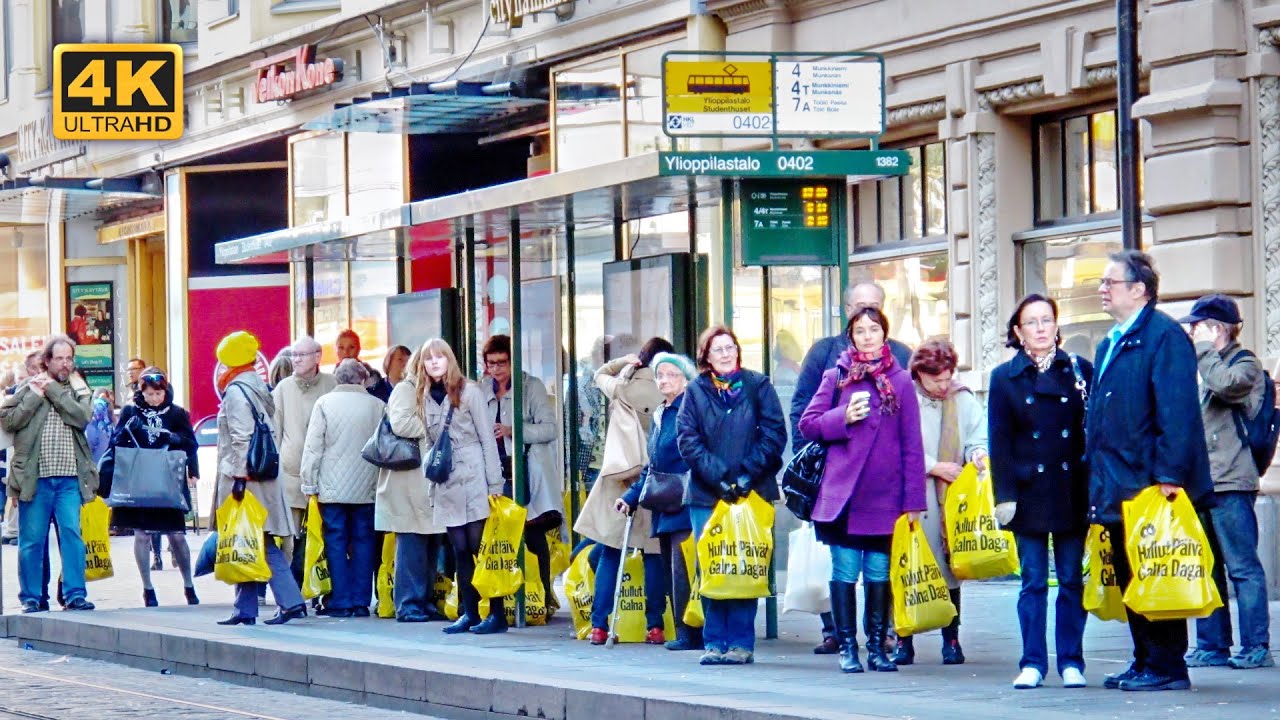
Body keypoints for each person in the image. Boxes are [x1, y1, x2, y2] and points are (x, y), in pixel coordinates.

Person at [1088, 250, 1213, 692]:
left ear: (1139, 289)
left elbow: (1177, 412)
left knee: (1158, 569)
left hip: (1150, 481)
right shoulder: (1111, 341)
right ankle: (1144, 659)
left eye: (1110, 282)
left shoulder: (1163, 336)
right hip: (1115, 480)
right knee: (1130, 573)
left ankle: (1167, 665)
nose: (1102, 289)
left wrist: (1169, 475)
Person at [799, 308, 925, 674]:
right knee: (845, 570)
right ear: (850, 336)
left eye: (874, 330)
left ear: (884, 335)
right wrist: (843, 418)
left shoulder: (900, 380)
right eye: (860, 330)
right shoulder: (836, 375)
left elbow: (912, 444)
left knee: (878, 572)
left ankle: (877, 648)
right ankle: (847, 648)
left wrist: (914, 499)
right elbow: (808, 424)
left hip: (885, 495)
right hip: (844, 495)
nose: (867, 336)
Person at [988, 294, 1092, 690]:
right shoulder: (1004, 377)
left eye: (1047, 320)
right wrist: (1004, 496)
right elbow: (999, 441)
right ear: (1018, 331)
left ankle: (1071, 661)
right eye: (1031, 322)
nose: (1041, 328)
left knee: (1070, 579)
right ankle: (1032, 661)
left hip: (1071, 489)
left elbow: (1092, 432)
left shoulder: (1080, 371)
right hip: (1028, 492)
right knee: (1032, 580)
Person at [678, 326, 787, 666]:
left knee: (744, 564)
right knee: (712, 565)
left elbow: (774, 435)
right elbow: (687, 439)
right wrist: (720, 477)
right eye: (717, 349)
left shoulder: (758, 385)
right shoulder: (695, 391)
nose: (725, 354)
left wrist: (746, 474)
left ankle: (741, 643)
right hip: (707, 495)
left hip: (751, 491)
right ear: (706, 357)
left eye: (730, 348)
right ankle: (714, 642)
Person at [1179, 295, 1274, 670]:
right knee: (1207, 567)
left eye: (1198, 326)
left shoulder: (1244, 364)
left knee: (1243, 568)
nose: (1191, 332)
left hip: (1233, 481)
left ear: (1218, 328)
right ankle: (1212, 644)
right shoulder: (1202, 365)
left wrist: (1204, 349)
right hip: (1202, 481)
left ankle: (1256, 646)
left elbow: (1227, 386)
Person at [891, 338, 987, 666]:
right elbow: (896, 443)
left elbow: (978, 434)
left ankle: (952, 638)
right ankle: (905, 639)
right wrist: (934, 466)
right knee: (911, 564)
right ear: (919, 374)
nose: (944, 386)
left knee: (949, 566)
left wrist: (977, 453)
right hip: (915, 493)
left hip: (952, 496)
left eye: (948, 378)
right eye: (936, 381)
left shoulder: (962, 398)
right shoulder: (905, 397)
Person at [575, 337, 674, 645]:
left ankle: (599, 626)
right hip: (656, 478)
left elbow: (599, 373)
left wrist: (623, 364)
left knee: (612, 552)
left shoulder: (621, 386)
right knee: (653, 553)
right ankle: (654, 626)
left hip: (620, 479)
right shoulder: (667, 389)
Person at [213, 331, 307, 626]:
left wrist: (239, 477)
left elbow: (242, 437)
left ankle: (291, 602)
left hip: (247, 479)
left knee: (258, 541)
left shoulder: (236, 392)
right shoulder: (256, 386)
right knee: (246, 541)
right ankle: (245, 608)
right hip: (262, 477)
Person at [412, 338, 505, 635]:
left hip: (474, 473)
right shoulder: (424, 394)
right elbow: (428, 443)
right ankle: (470, 612)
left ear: (450, 359)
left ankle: (497, 612)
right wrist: (431, 486)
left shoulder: (470, 391)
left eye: (440, 356)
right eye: (429, 358)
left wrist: (495, 482)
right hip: (446, 480)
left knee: (481, 548)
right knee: (459, 549)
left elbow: (487, 439)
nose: (434, 362)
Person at [0, 334, 98, 613]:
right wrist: (36, 395)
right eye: (59, 358)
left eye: (69, 358)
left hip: (69, 478)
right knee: (31, 541)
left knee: (72, 536)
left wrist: (53, 391)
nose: (65, 364)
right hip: (35, 477)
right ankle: (30, 598)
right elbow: (9, 419)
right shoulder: (28, 388)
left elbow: (81, 418)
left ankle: (75, 594)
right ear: (47, 360)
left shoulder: (78, 390)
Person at [617, 351, 701, 651]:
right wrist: (630, 497)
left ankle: (691, 632)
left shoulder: (689, 410)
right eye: (660, 375)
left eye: (672, 375)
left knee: (683, 569)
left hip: (687, 497)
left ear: (686, 379)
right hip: (664, 499)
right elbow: (653, 464)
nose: (664, 380)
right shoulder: (659, 413)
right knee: (670, 569)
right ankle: (683, 629)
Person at [97, 367, 201, 608]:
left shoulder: (176, 413)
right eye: (149, 394)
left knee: (176, 536)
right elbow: (116, 443)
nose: (154, 398)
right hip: (138, 479)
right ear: (141, 392)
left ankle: (188, 584)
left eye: (158, 393)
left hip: (167, 481)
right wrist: (126, 428)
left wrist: (176, 442)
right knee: (141, 535)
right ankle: (148, 588)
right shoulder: (131, 411)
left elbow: (190, 444)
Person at [478, 335, 564, 616]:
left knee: (533, 531)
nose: (497, 369)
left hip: (527, 468)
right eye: (491, 364)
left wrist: (512, 429)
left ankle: (541, 594)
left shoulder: (532, 387)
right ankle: (501, 598)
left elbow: (550, 429)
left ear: (513, 361)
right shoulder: (481, 389)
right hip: (494, 470)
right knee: (498, 535)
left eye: (502, 363)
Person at [300, 359, 386, 618]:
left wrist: (309, 482)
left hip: (331, 487)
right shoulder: (377, 405)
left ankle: (340, 600)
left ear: (338, 379)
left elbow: (313, 447)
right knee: (364, 541)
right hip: (368, 486)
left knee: (335, 541)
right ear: (362, 379)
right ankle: (361, 601)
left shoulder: (324, 404)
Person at [378, 346, 449, 623]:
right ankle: (408, 604)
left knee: (430, 541)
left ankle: (425, 599)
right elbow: (400, 424)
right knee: (411, 540)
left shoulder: (434, 390)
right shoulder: (406, 390)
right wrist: (435, 427)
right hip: (409, 477)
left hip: (427, 477)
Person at [272, 336, 338, 565]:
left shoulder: (332, 384)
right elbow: (275, 432)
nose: (296, 360)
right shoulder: (283, 388)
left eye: (301, 355)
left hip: (326, 477)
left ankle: (318, 591)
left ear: (318, 356)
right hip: (291, 476)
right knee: (289, 539)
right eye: (294, 355)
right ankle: (291, 593)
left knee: (323, 539)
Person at [336, 330, 389, 402]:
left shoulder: (372, 376)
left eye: (351, 347)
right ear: (335, 350)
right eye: (341, 347)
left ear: (359, 349)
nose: (346, 352)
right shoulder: (330, 378)